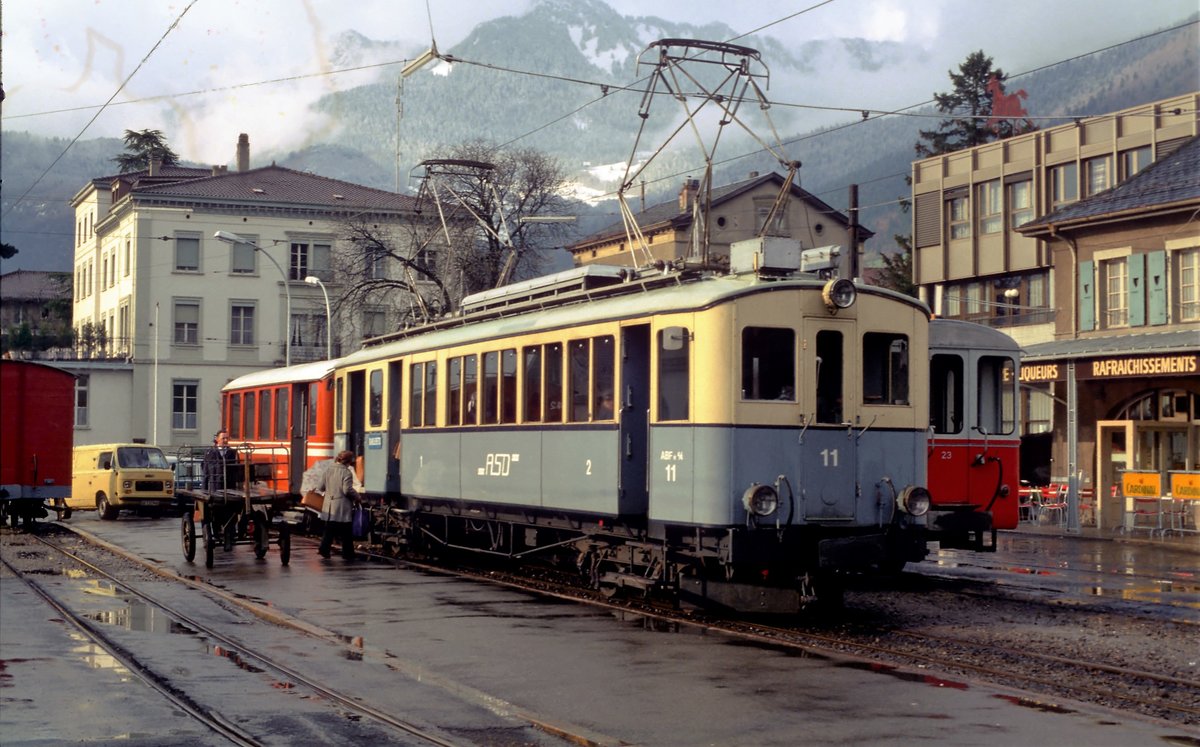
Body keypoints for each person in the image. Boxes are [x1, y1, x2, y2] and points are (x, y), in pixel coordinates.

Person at [318, 450, 359, 560]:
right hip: (342, 506)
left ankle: (324, 549)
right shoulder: (346, 472)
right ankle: (348, 554)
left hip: (329, 505)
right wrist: (357, 496)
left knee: (329, 529)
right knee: (346, 532)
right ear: (349, 461)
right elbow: (347, 490)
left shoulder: (328, 470)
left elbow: (320, 487)